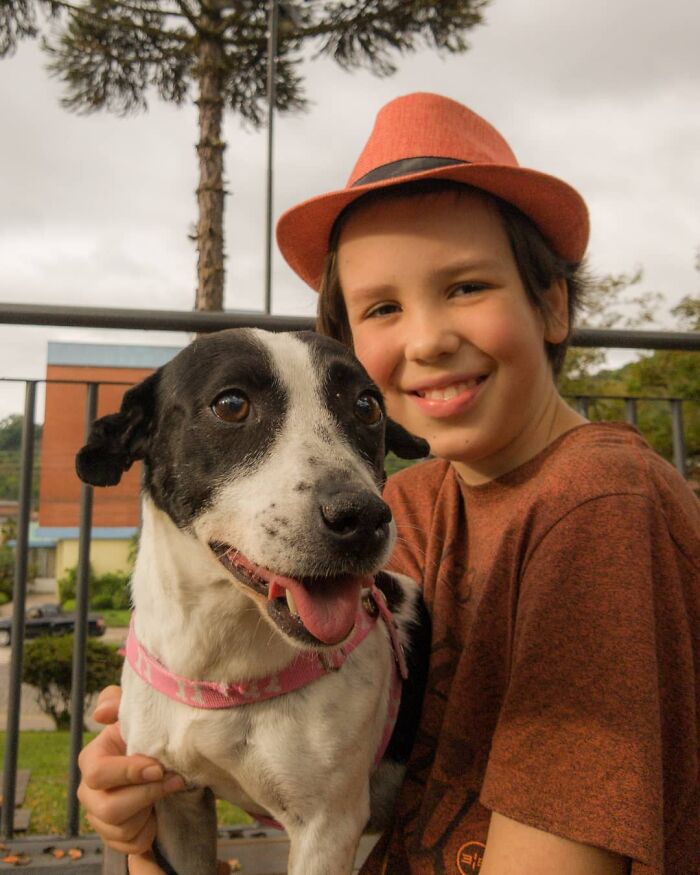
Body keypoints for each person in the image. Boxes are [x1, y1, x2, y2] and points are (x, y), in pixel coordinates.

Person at [78, 93, 700, 875]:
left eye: (467, 286)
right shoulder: (401, 510)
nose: (429, 338)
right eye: (382, 306)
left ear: (551, 304)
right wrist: (141, 816)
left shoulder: (602, 502)